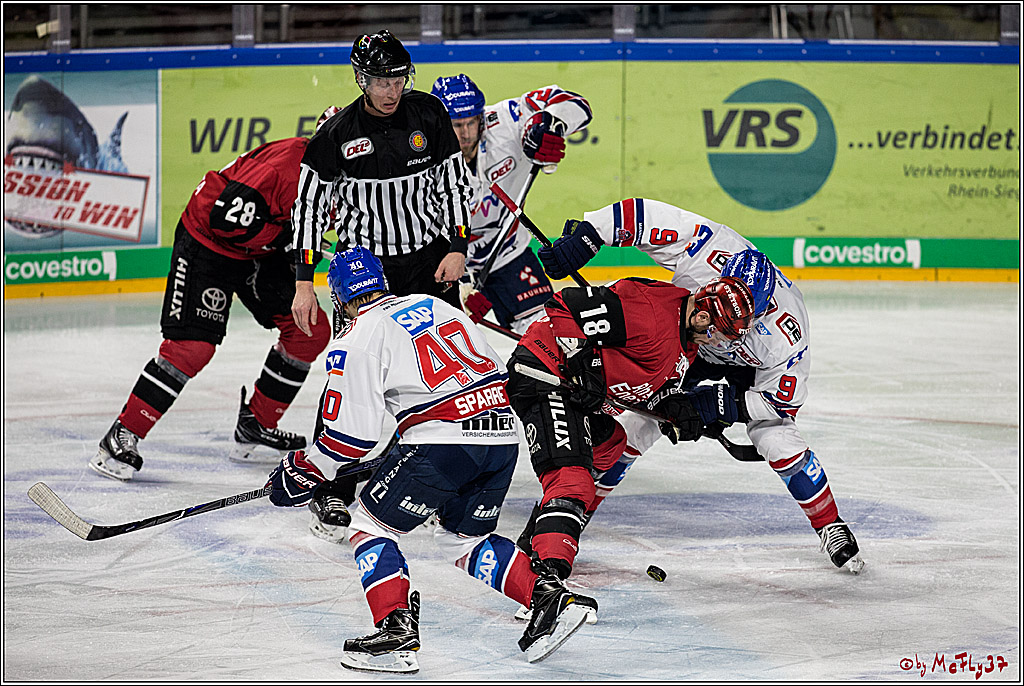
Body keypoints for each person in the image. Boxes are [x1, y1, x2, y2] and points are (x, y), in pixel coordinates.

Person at [266, 246, 596, 672]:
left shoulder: (357, 337)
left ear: (340, 297)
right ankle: (551, 597)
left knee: (369, 527)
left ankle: (395, 634)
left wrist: (302, 471)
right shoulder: (437, 306)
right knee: (462, 539)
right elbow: (493, 370)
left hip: (442, 441)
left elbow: (351, 438)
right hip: (500, 435)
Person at [536, 198, 864, 573]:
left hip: (747, 373)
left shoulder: (785, 333)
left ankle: (829, 523)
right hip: (689, 340)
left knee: (775, 437)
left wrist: (713, 404)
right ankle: (573, 516)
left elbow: (780, 405)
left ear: (759, 312)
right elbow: (643, 216)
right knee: (636, 424)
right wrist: (591, 234)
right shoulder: (710, 249)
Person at [289, 30, 475, 537]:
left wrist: (458, 244)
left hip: (429, 260)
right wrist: (304, 281)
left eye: (398, 79)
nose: (391, 90)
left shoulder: (430, 114)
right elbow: (305, 209)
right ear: (360, 80)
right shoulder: (335, 135)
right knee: (355, 378)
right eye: (381, 80)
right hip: (362, 273)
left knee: (440, 377)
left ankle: (434, 481)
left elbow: (455, 183)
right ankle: (332, 487)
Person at [89, 118, 338, 481]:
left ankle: (256, 423)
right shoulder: (284, 170)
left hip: (259, 249)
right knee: (191, 348)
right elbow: (225, 221)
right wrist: (287, 239)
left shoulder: (350, 179)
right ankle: (121, 435)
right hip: (208, 244)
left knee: (309, 330)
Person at [506, 273, 756, 583]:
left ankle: (538, 541)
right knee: (572, 480)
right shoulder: (648, 312)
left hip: (575, 393)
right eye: (719, 334)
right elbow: (566, 305)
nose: (718, 343)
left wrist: (672, 403)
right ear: (702, 316)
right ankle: (544, 582)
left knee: (611, 443)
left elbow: (647, 377)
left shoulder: (688, 337)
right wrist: (585, 364)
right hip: (546, 375)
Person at [429, 74, 593, 335]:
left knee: (549, 334)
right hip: (447, 263)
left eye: (473, 122)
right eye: (457, 125)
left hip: (509, 253)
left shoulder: (508, 120)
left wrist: (549, 123)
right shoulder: (420, 151)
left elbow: (576, 104)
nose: (467, 133)